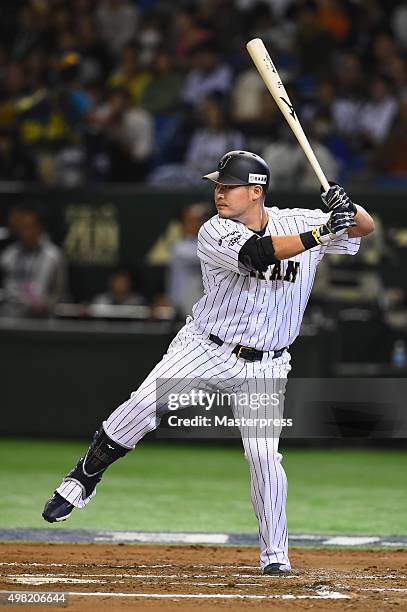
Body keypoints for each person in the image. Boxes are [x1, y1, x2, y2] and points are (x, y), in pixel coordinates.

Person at [42, 150, 374, 575]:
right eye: (217, 185)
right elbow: (259, 254)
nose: (218, 193)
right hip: (206, 349)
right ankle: (84, 475)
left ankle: (275, 556)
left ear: (256, 192)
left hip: (265, 366)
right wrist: (325, 229)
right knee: (142, 407)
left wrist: (346, 206)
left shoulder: (299, 220)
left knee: (263, 457)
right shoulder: (214, 231)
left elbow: (365, 227)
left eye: (228, 186)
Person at [0, 206, 67, 317]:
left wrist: (49, 303)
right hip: (11, 317)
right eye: (22, 227)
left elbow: (60, 291)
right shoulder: (9, 254)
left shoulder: (53, 255)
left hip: (42, 319)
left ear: (39, 227)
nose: (24, 231)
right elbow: (5, 286)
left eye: (28, 226)